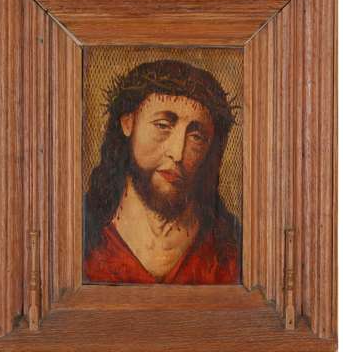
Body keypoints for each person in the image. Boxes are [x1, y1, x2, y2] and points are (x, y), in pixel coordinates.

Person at [84, 59, 241, 284]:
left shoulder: (230, 249)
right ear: (128, 123)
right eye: (162, 125)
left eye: (196, 137)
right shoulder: (82, 234)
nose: (177, 153)